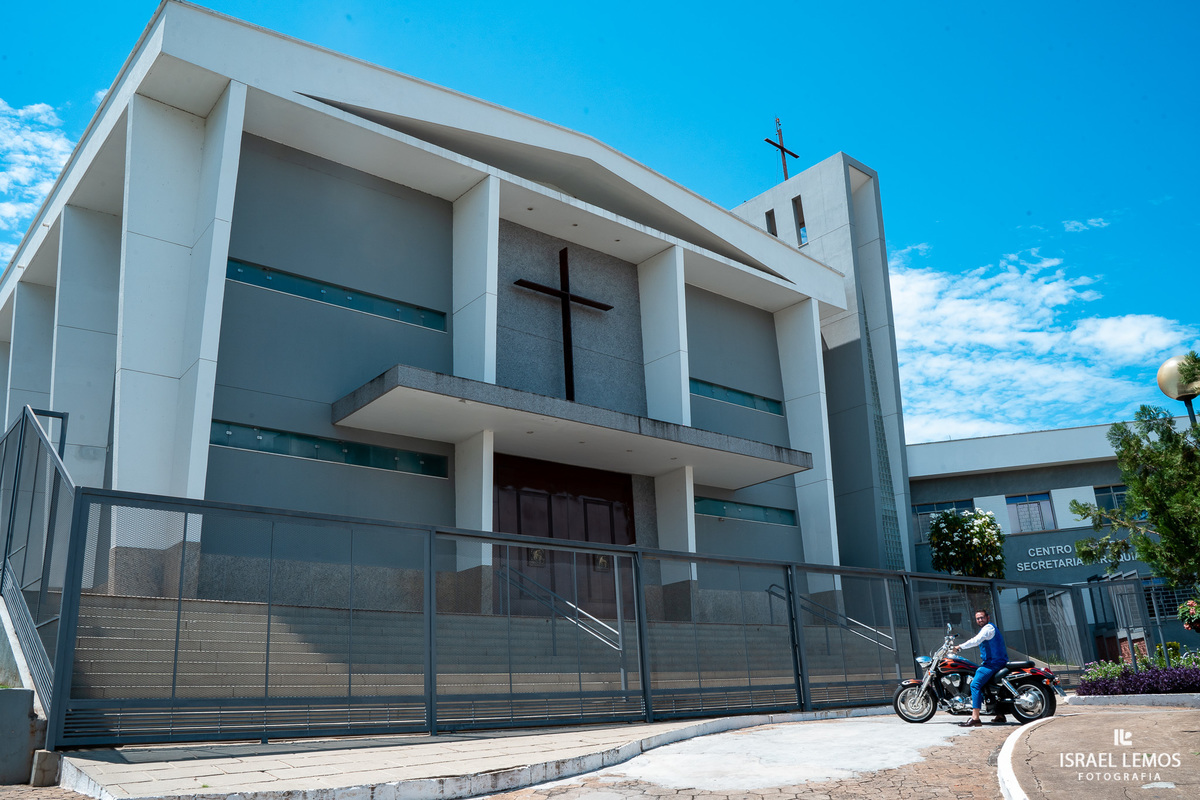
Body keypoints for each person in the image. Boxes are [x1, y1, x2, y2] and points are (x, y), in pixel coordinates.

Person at [951, 609, 1009, 727]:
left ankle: (975, 718)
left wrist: (959, 647)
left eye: (982, 617)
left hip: (993, 663)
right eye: (978, 618)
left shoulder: (988, 628)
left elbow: (976, 640)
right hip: (993, 662)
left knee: (975, 684)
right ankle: (1000, 714)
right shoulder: (988, 629)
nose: (980, 620)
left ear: (988, 617)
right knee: (985, 684)